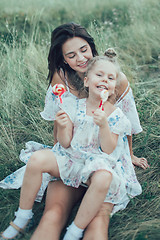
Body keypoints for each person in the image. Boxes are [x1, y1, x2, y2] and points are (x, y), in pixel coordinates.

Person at [0, 23, 148, 240]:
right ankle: (22, 217)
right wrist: (61, 143)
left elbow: (127, 123)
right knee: (53, 213)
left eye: (84, 50)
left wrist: (131, 155)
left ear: (91, 47)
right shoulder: (61, 78)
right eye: (71, 55)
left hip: (105, 156)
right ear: (64, 59)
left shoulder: (112, 77)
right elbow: (59, 120)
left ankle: (75, 231)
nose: (81, 58)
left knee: (98, 221)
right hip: (72, 150)